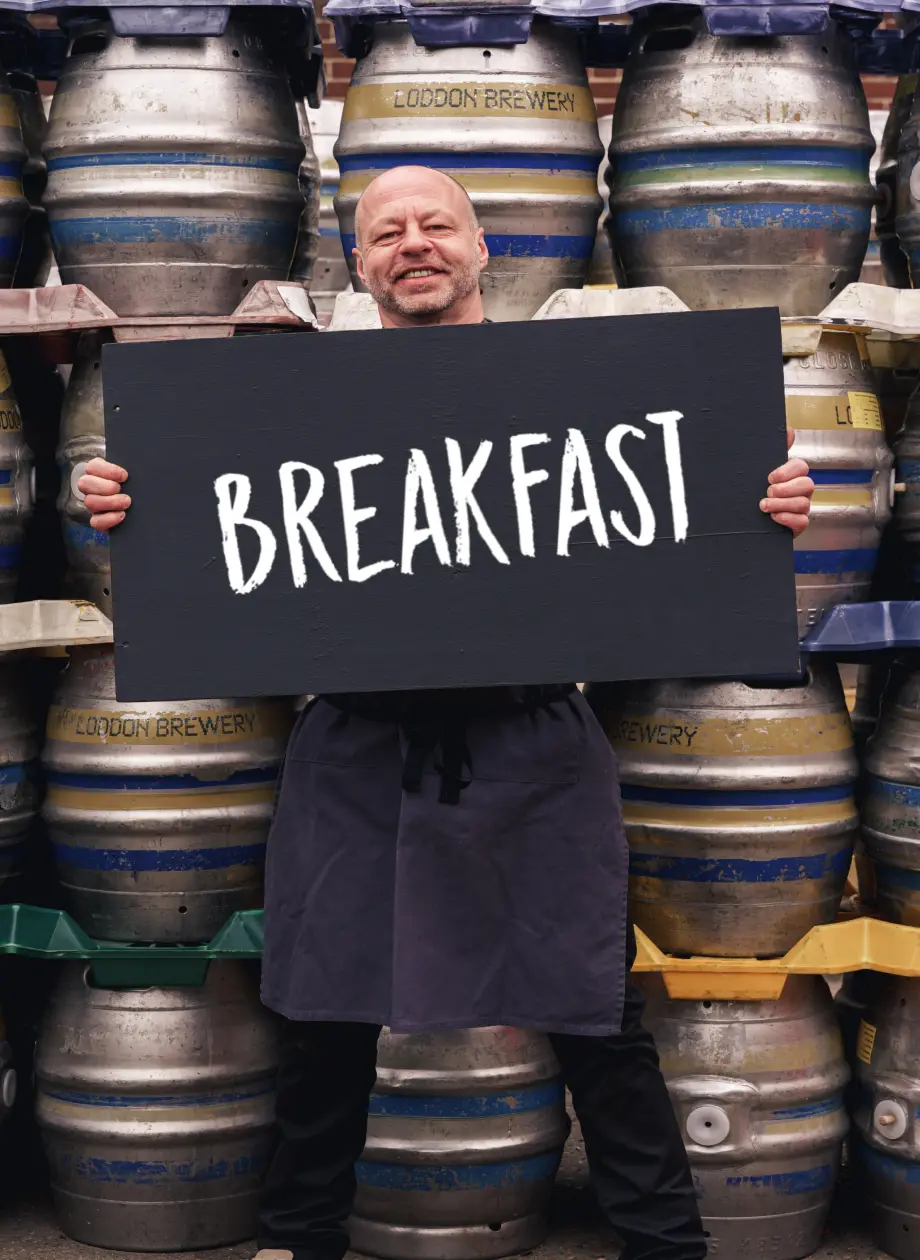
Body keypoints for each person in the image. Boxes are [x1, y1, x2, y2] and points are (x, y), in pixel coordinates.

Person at [80, 165, 815, 1260]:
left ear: (483, 252)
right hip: (356, 748)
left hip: (535, 749)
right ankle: (298, 1240)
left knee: (595, 1024)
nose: (412, 244)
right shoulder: (284, 410)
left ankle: (668, 1247)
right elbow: (214, 533)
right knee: (321, 1024)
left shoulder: (575, 392)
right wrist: (136, 510)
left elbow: (682, 503)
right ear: (357, 260)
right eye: (386, 232)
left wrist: (759, 506)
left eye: (436, 225)